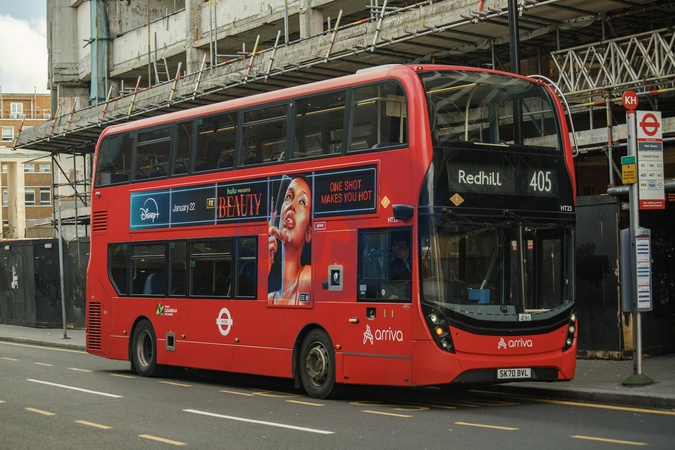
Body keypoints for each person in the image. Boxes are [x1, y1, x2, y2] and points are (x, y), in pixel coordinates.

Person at [268, 175, 312, 305]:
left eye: (302, 202)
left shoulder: (307, 277)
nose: (292, 205)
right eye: (288, 197)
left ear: (308, 233)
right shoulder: (269, 298)